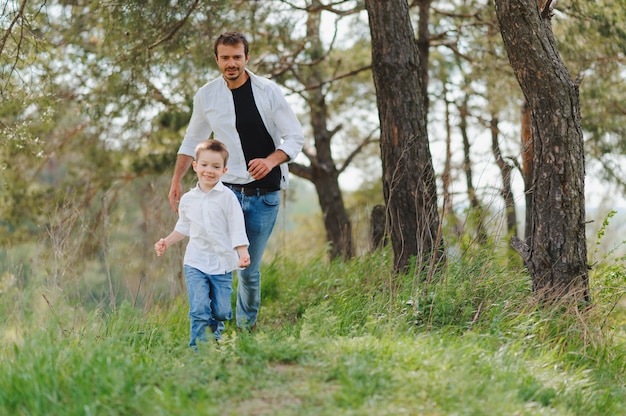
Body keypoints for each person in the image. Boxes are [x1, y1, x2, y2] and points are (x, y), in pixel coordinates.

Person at [168, 31, 304, 331]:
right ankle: (215, 327)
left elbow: (295, 136)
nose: (231, 63)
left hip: (264, 195)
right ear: (217, 59)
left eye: (237, 57)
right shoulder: (207, 96)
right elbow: (192, 140)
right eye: (225, 57)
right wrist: (177, 180)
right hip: (225, 193)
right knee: (216, 262)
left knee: (247, 269)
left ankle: (245, 327)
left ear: (247, 58)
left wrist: (270, 160)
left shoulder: (268, 91)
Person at [156, 140, 251, 347]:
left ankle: (216, 334)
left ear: (224, 170)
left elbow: (237, 228)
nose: (210, 171)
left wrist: (242, 253)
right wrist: (167, 241)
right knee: (199, 308)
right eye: (205, 165)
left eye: (216, 167)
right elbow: (184, 227)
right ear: (195, 166)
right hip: (196, 262)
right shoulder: (189, 200)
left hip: (223, 264)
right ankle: (198, 351)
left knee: (221, 311)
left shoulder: (228, 198)